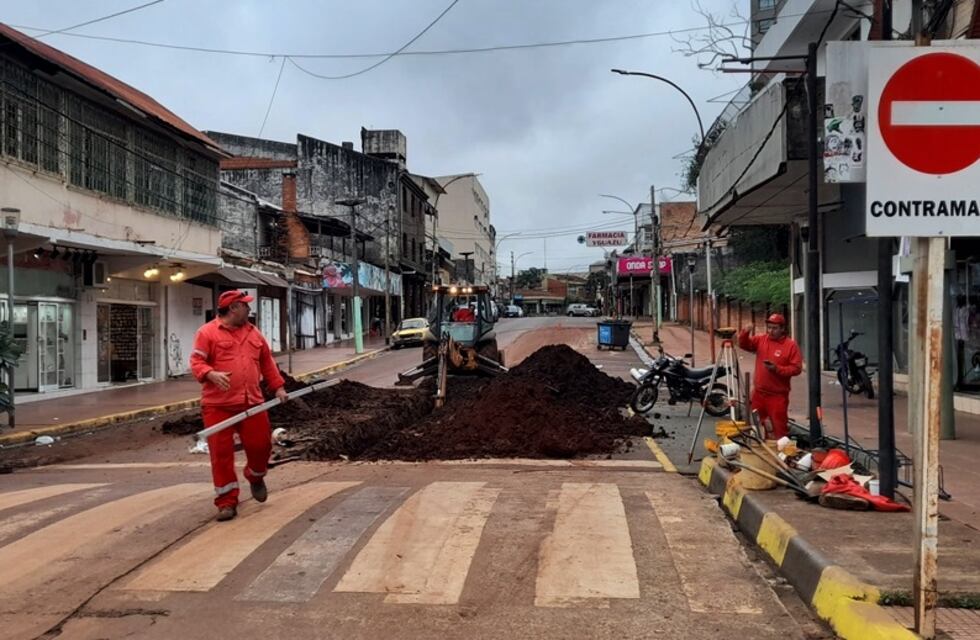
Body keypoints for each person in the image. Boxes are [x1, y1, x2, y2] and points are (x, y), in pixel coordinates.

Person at [190, 290, 288, 522]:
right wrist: (210, 374)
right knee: (221, 455)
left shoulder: (253, 333)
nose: (249, 309)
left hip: (252, 402)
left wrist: (278, 387)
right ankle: (226, 501)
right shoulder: (207, 333)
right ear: (233, 308)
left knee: (261, 446)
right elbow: (196, 361)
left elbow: (267, 362)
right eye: (245, 305)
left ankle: (255, 476)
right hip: (218, 406)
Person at [737, 313, 803, 439]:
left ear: (782, 329)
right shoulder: (761, 339)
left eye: (775, 328)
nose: (771, 331)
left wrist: (777, 369)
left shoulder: (790, 345)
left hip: (777, 396)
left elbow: (796, 368)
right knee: (756, 427)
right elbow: (744, 344)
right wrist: (745, 332)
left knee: (779, 428)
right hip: (758, 394)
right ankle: (760, 447)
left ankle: (781, 449)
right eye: (769, 327)